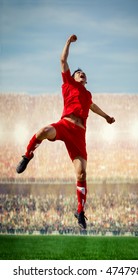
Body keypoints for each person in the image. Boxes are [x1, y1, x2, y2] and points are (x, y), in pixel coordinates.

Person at [16, 34, 115, 229]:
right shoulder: (68, 84)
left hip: (79, 134)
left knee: (81, 174)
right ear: (72, 77)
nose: (82, 74)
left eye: (84, 73)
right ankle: (27, 155)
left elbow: (93, 107)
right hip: (65, 125)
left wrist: (106, 117)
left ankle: (80, 212)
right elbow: (62, 60)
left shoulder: (87, 95)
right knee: (44, 130)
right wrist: (68, 42)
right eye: (79, 73)